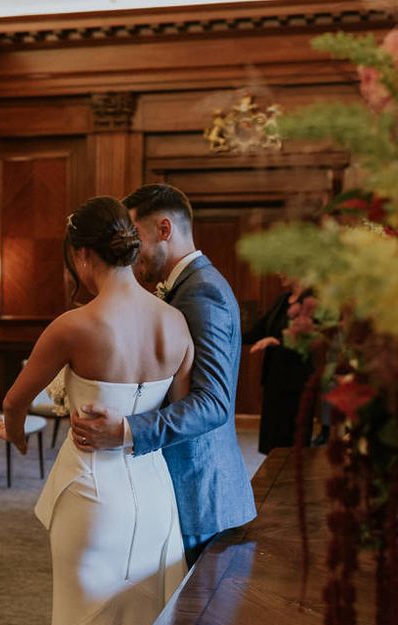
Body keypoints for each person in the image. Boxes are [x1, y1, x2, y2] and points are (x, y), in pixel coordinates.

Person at [0, 196, 192, 625]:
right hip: (155, 494)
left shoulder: (75, 324)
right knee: (148, 623)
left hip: (93, 495)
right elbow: (180, 415)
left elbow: (16, 401)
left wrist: (13, 436)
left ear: (82, 255)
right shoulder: (175, 322)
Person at [71, 184, 256, 567]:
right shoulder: (187, 289)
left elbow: (212, 403)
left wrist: (126, 430)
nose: (129, 249)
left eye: (134, 235)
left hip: (200, 493)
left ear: (164, 230)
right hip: (183, 486)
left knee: (198, 623)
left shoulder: (202, 293)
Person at [242, 278, 315, 454]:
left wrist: (278, 342)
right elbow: (258, 331)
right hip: (274, 379)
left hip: (297, 382)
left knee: (291, 442)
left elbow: (312, 339)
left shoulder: (312, 301)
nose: (278, 272)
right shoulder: (283, 299)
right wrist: (224, 335)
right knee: (273, 442)